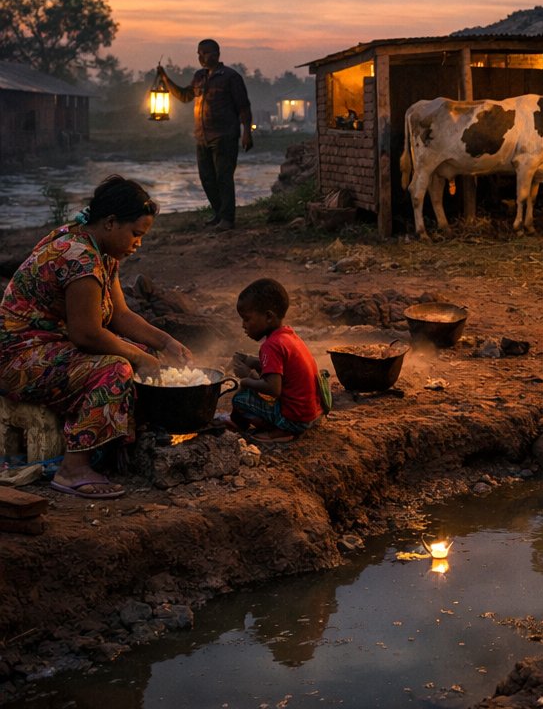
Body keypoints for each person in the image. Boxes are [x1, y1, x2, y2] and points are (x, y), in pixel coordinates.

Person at [0, 176, 193, 498]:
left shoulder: (99, 251)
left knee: (144, 354)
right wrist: (139, 356)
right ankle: (73, 469)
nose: (138, 243)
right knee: (116, 369)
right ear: (110, 222)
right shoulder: (78, 256)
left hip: (53, 348)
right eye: (136, 234)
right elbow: (87, 334)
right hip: (18, 359)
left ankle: (123, 440)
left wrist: (165, 342)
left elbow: (120, 315)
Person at [158, 38, 253, 232]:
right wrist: (166, 80)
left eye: (206, 53)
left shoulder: (230, 77)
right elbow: (185, 96)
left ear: (217, 54)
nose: (201, 57)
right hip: (202, 136)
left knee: (224, 177)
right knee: (207, 178)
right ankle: (219, 213)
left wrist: (247, 133)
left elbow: (243, 107)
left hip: (224, 135)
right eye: (199, 54)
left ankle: (227, 219)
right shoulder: (199, 77)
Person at [229, 278, 323, 444]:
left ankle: (279, 430)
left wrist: (246, 379)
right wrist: (252, 361)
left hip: (294, 420)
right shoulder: (288, 336)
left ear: (268, 316)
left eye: (247, 319)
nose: (243, 325)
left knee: (239, 399)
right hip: (311, 414)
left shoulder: (270, 346)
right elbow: (279, 369)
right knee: (251, 391)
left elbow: (273, 388)